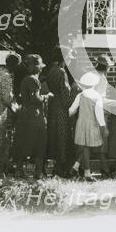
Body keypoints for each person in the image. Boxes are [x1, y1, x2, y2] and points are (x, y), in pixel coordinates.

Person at [15, 54, 53, 179]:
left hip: (24, 116)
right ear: (36, 67)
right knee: (40, 144)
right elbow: (35, 98)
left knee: (23, 143)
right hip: (35, 116)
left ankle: (19, 170)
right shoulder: (33, 80)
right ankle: (38, 172)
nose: (41, 69)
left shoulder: (25, 79)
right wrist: (46, 96)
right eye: (39, 66)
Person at [69, 72, 107, 182]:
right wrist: (103, 127)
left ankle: (76, 167)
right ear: (95, 84)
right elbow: (99, 114)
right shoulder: (97, 96)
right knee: (87, 147)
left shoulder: (80, 95)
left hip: (81, 123)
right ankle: (86, 173)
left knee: (85, 146)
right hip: (92, 124)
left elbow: (72, 110)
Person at [45, 46, 75, 176]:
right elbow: (65, 96)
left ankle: (55, 167)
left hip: (52, 108)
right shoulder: (61, 72)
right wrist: (75, 90)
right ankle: (61, 169)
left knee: (54, 139)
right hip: (61, 110)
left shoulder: (51, 70)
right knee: (62, 138)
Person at [94, 54, 116, 176]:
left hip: (100, 110)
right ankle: (104, 169)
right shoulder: (99, 78)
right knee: (102, 141)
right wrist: (113, 103)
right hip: (99, 111)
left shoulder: (99, 76)